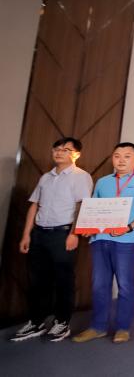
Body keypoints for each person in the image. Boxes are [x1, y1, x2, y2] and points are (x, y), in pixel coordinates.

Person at [72, 142, 134, 344]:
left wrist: (129, 227)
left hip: (127, 240)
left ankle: (123, 328)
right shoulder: (103, 182)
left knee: (125, 285)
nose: (121, 160)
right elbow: (93, 208)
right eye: (117, 156)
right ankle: (98, 327)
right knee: (99, 285)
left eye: (127, 156)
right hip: (100, 239)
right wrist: (87, 227)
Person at [10, 137, 93, 343]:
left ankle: (62, 322)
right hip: (39, 234)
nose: (59, 152)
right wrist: (26, 234)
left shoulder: (81, 177)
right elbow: (34, 205)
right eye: (56, 149)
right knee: (38, 281)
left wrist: (74, 233)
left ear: (76, 154)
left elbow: (83, 205)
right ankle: (36, 322)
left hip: (62, 233)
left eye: (65, 149)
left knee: (64, 280)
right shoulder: (45, 177)